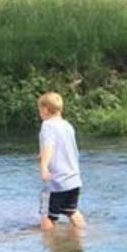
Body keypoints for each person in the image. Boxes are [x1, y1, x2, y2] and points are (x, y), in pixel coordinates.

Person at [37, 91, 84, 235]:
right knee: (72, 211)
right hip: (73, 179)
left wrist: (44, 167)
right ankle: (81, 237)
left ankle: (52, 244)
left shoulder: (48, 125)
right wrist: (42, 153)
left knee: (47, 215)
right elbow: (65, 147)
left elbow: (49, 146)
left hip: (57, 181)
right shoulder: (67, 125)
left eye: (39, 110)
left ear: (45, 110)